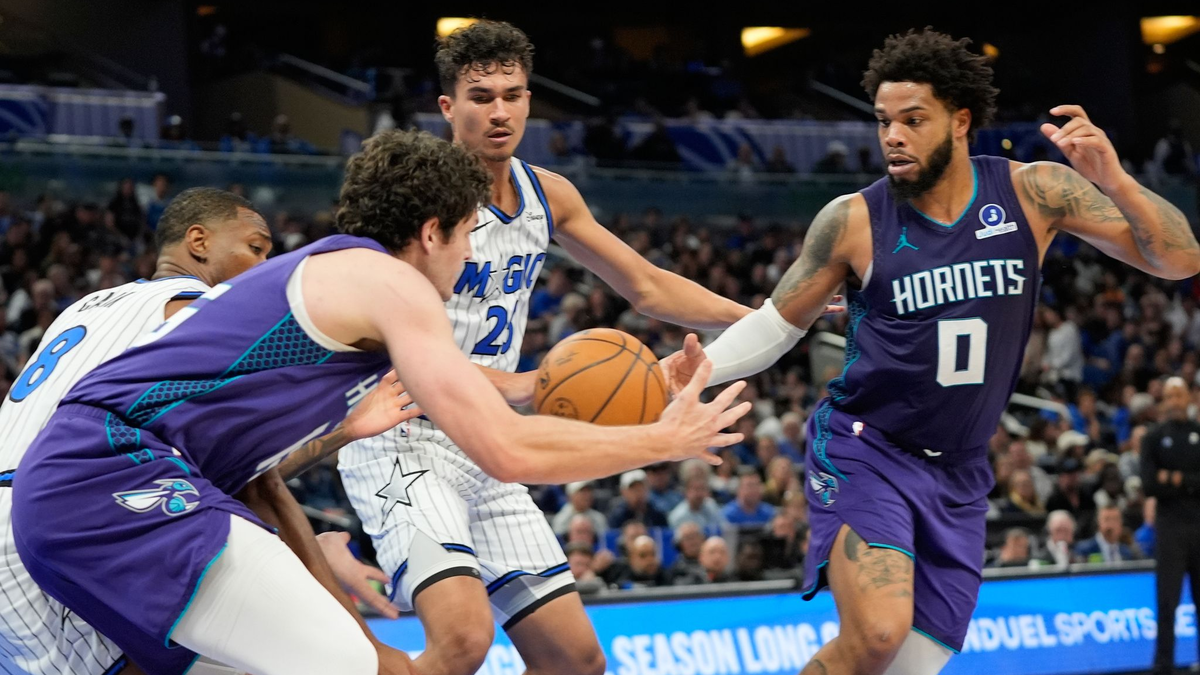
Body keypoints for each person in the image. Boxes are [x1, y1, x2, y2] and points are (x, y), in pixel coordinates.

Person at [11, 130, 751, 675]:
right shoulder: (389, 284)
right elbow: (507, 447)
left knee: (340, 663)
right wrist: (663, 438)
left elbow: (264, 481)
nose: (469, 259)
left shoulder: (344, 289)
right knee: (356, 666)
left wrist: (652, 385)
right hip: (109, 475)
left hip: (88, 493)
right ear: (430, 230)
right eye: (465, 237)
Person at [663, 28, 1199, 675]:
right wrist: (706, 368)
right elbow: (780, 322)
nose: (893, 134)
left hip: (961, 467)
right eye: (885, 120)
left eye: (913, 120)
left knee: (911, 663)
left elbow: (1179, 258)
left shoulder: (1035, 193)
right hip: (869, 445)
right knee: (879, 633)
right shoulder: (853, 219)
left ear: (961, 119)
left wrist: (1117, 180)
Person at [319, 20, 798, 675]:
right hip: (402, 431)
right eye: (481, 96)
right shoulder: (414, 201)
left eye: (513, 95)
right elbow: (387, 343)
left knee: (576, 660)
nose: (499, 111)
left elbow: (649, 286)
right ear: (446, 107)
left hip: (488, 440)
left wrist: (773, 318)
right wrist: (523, 384)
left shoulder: (548, 194)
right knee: (462, 640)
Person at [0, 188, 274, 675]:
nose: (265, 265)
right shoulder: (196, 308)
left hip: (29, 510)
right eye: (256, 247)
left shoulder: (86, 306)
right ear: (199, 241)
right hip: (43, 524)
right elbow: (249, 465)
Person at [1141, 377, 1200, 675]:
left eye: (1180, 395)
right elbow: (1149, 484)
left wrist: (1174, 478)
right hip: (1170, 529)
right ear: (1164, 401)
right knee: (1167, 603)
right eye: (1170, 396)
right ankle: (1164, 664)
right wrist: (1189, 481)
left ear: (1189, 398)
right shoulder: (1152, 437)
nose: (1176, 401)